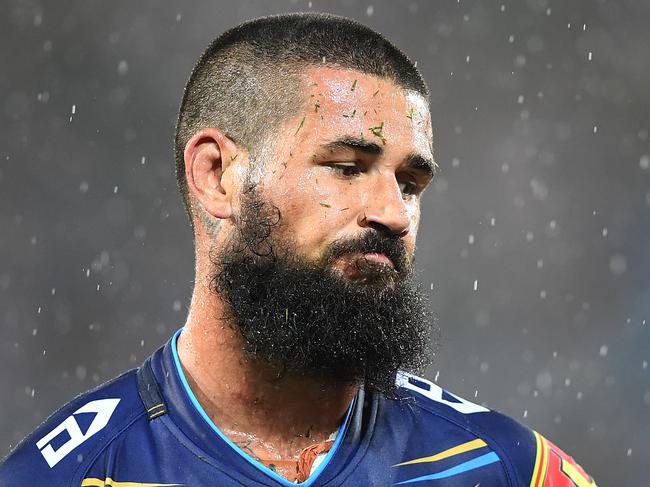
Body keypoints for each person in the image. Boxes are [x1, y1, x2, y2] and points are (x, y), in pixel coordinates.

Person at [0, 13, 596, 487]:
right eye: (345, 167)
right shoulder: (68, 475)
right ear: (217, 176)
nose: (392, 213)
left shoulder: (508, 470)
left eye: (409, 184)